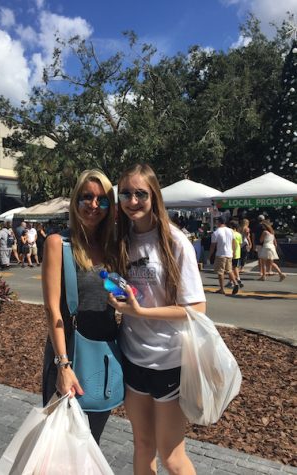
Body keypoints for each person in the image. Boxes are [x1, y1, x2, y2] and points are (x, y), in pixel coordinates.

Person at [109, 164, 206, 475]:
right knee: (142, 444)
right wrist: (120, 299)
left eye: (141, 193)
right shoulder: (121, 240)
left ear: (154, 196)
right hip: (132, 357)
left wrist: (141, 312)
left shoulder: (175, 241)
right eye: (126, 193)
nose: (133, 200)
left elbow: (196, 308)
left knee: (172, 457)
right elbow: (131, 292)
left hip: (168, 361)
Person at [42, 169, 117, 445]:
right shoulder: (58, 244)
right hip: (70, 355)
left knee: (90, 444)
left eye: (102, 199)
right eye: (87, 197)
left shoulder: (113, 246)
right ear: (76, 201)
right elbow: (53, 309)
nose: (94, 205)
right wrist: (63, 366)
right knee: (60, 445)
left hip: (107, 356)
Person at [209, 216, 239, 295]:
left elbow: (213, 245)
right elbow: (233, 242)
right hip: (229, 253)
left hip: (220, 253)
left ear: (219, 222)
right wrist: (233, 251)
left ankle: (222, 289)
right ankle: (235, 283)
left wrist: (210, 254)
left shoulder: (216, 232)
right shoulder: (231, 231)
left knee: (220, 272)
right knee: (229, 270)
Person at [226, 221, 243, 288]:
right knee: (235, 267)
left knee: (229, 268)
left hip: (230, 252)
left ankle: (231, 282)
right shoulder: (239, 234)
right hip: (237, 253)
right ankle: (238, 279)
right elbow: (240, 244)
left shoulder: (230, 234)